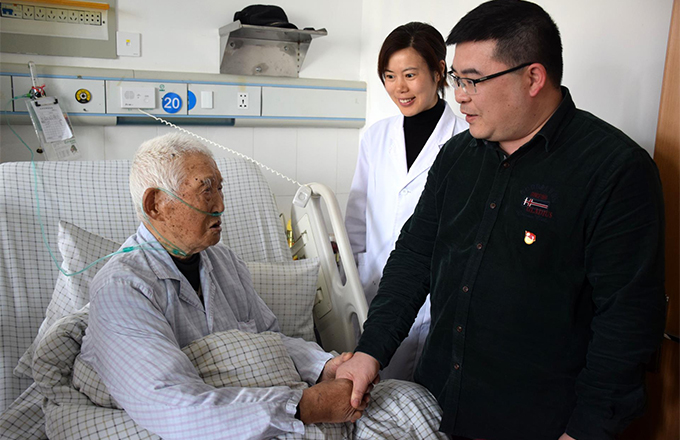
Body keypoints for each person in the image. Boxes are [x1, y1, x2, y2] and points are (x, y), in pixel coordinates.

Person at [337, 2, 666, 440]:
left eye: (473, 80)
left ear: (533, 77)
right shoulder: (457, 157)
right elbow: (414, 258)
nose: (459, 95)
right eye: (457, 79)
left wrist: (586, 430)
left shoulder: (612, 170)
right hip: (437, 404)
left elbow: (626, 321)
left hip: (537, 421)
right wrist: (369, 351)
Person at [80, 133, 447, 440]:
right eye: (206, 191)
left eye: (221, 188)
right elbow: (171, 407)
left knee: (409, 401)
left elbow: (269, 340)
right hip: (219, 420)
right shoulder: (123, 287)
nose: (221, 205)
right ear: (156, 204)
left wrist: (324, 367)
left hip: (265, 398)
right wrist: (307, 406)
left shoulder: (223, 262)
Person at [345, 22, 468, 381]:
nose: (399, 87)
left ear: (439, 71)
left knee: (416, 394)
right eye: (389, 76)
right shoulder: (375, 137)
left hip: (430, 299)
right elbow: (357, 217)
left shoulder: (467, 141)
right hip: (370, 285)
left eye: (410, 75)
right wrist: (350, 277)